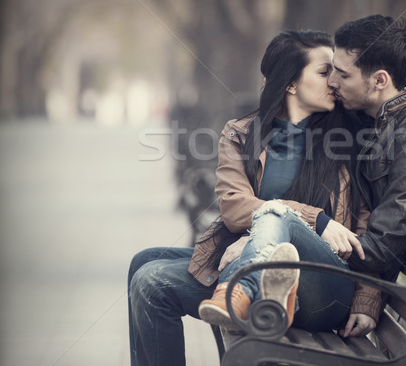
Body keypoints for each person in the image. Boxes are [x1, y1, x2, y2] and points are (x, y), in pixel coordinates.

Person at [128, 30, 380, 366]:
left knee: (274, 214)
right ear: (291, 84)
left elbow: (369, 228)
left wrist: (367, 300)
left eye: (335, 72)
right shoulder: (242, 133)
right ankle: (245, 285)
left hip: (325, 287)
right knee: (144, 269)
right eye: (324, 72)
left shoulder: (349, 138)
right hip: (266, 276)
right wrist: (308, 222)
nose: (333, 81)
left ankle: (238, 287)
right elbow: (234, 208)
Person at [327, 14, 406, 281]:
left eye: (343, 74)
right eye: (332, 70)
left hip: (359, 281)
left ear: (380, 81)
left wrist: (311, 228)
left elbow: (379, 251)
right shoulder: (368, 117)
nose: (332, 82)